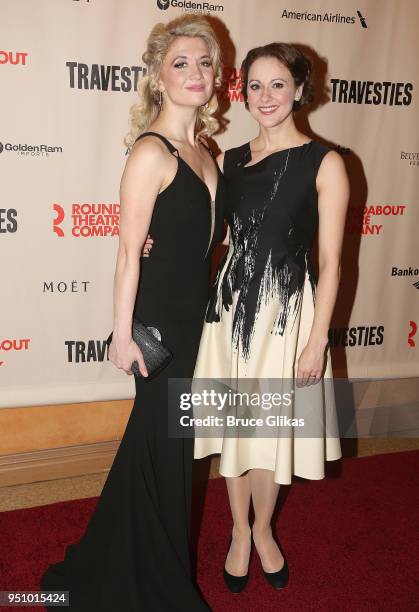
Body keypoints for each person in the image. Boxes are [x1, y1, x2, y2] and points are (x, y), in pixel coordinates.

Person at [40, 15, 225, 611]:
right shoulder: (152, 150)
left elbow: (192, 241)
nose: (195, 73)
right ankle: (148, 581)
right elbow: (128, 252)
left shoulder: (205, 150)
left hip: (195, 323)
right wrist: (122, 338)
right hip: (160, 332)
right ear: (158, 78)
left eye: (204, 63)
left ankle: (130, 560)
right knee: (159, 448)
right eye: (181, 63)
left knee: (162, 450)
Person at [192, 42, 349, 592]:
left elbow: (330, 262)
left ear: (301, 90)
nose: (265, 97)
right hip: (229, 310)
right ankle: (238, 530)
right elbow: (222, 238)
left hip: (285, 316)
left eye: (277, 84)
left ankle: (264, 531)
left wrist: (317, 342)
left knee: (268, 431)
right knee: (234, 428)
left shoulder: (324, 162)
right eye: (254, 85)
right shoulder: (229, 160)